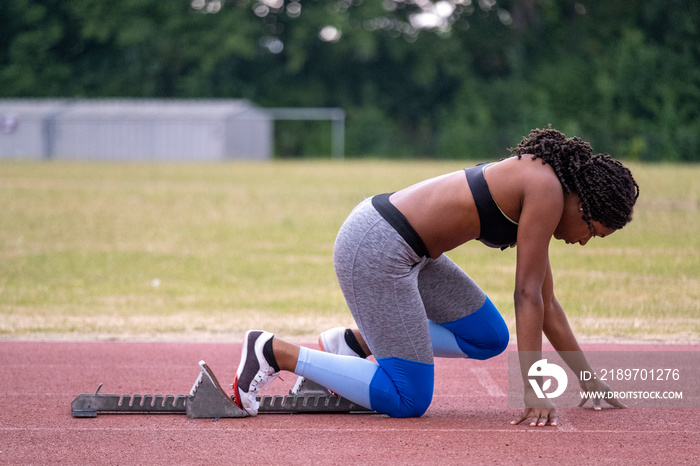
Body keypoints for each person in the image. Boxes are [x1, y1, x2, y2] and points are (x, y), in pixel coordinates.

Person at [232, 127, 638, 426]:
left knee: (489, 337)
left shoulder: (547, 188)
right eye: (594, 231)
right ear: (583, 205)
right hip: (377, 245)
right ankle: (272, 352)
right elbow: (527, 296)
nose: (585, 242)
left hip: (415, 255)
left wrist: (589, 381)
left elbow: (546, 304)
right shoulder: (546, 190)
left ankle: (351, 344)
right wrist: (534, 387)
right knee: (409, 398)